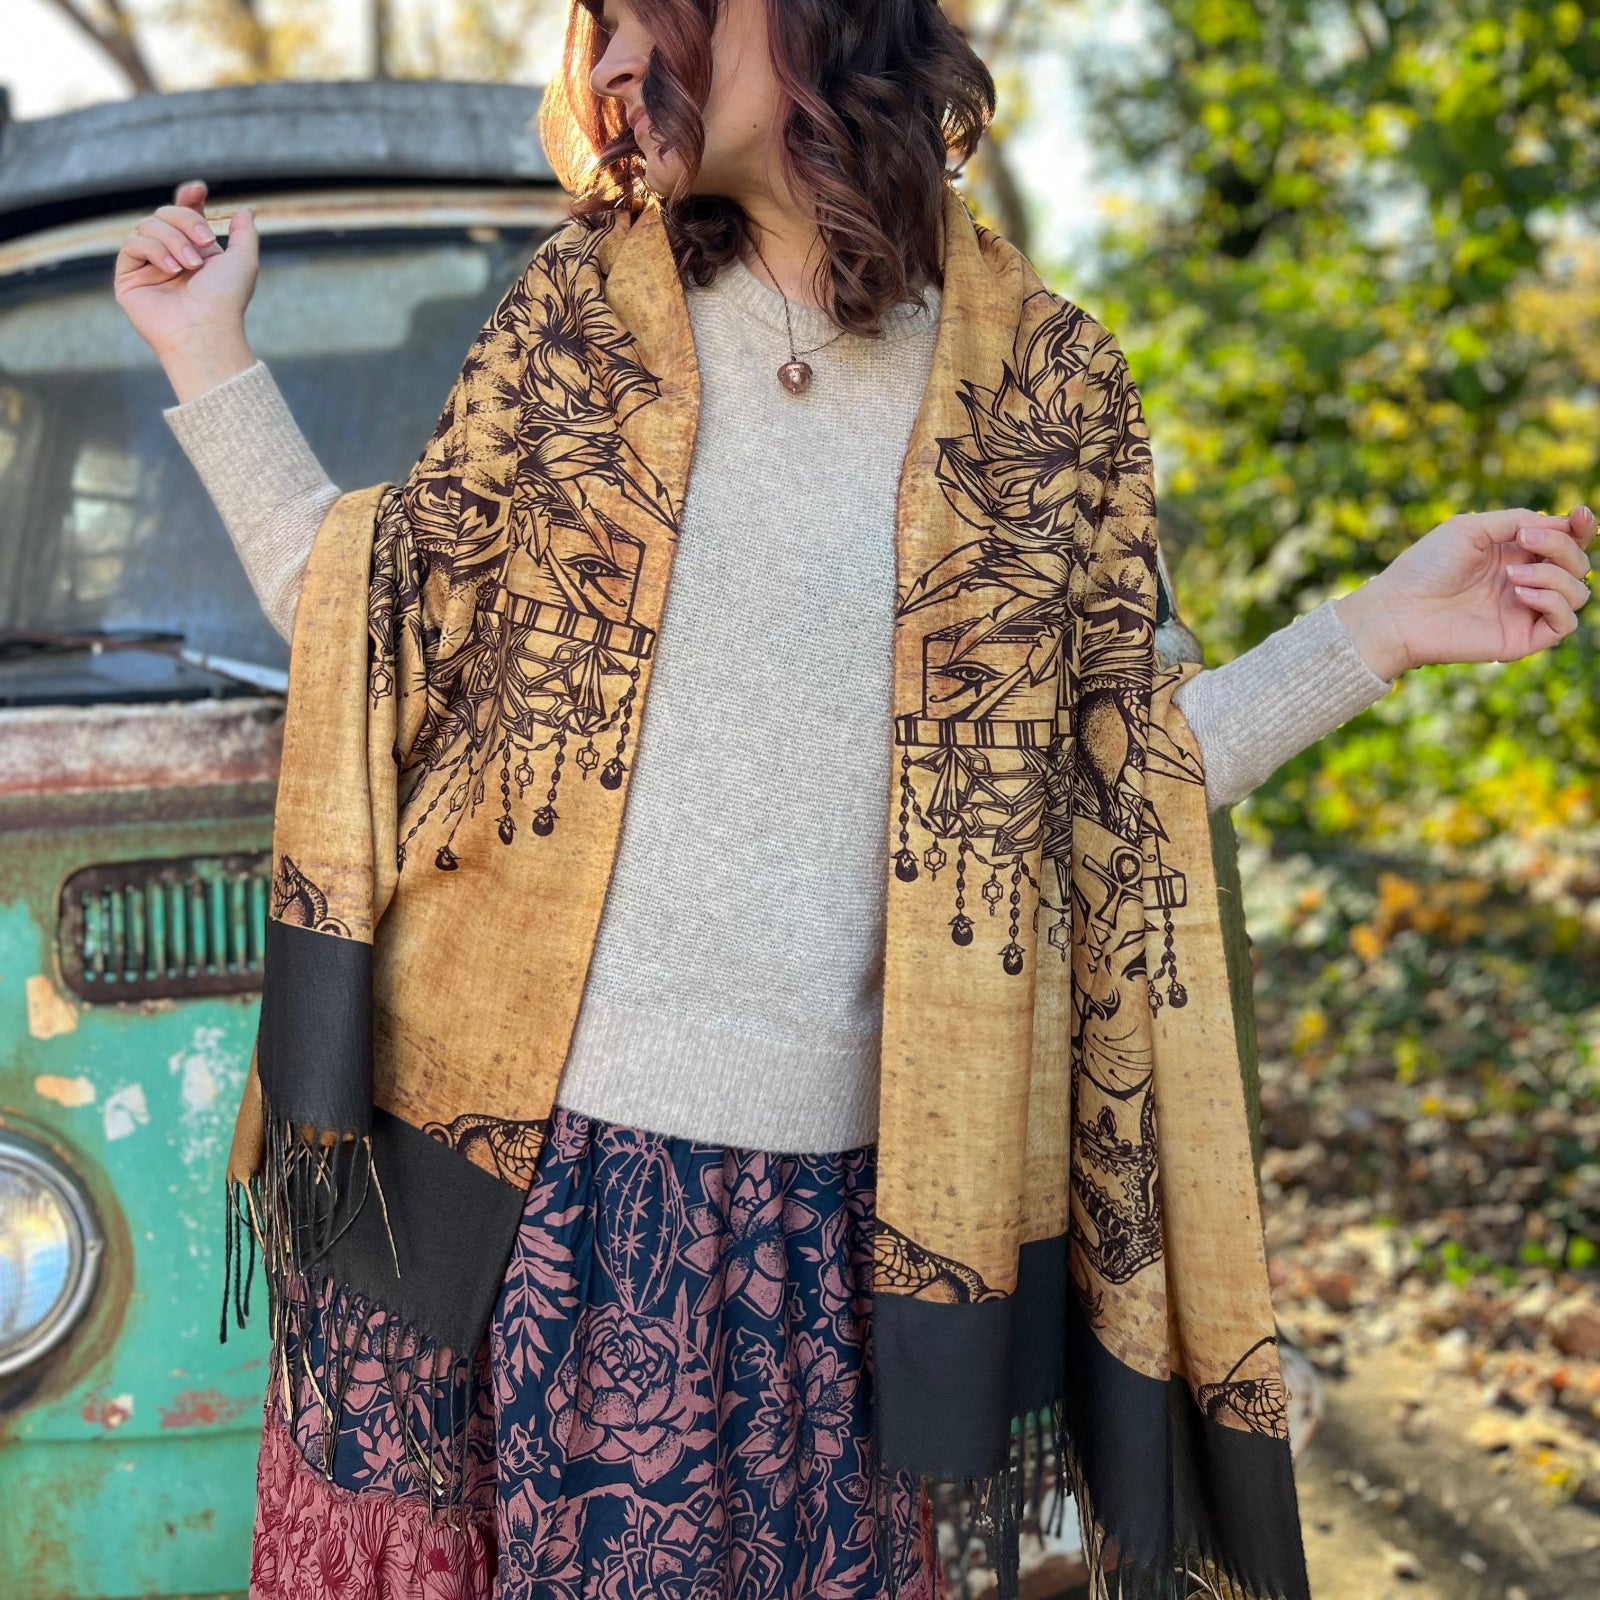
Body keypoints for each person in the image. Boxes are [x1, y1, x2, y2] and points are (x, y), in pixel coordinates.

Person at [114, 3, 1594, 1597]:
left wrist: (1371, 633)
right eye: (595, 30)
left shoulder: (1044, 398)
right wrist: (205, 352)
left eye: (645, 14)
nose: (610, 65)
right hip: (487, 1211)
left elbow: (1110, 797)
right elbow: (370, 637)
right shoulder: (577, 326)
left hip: (814, 1243)